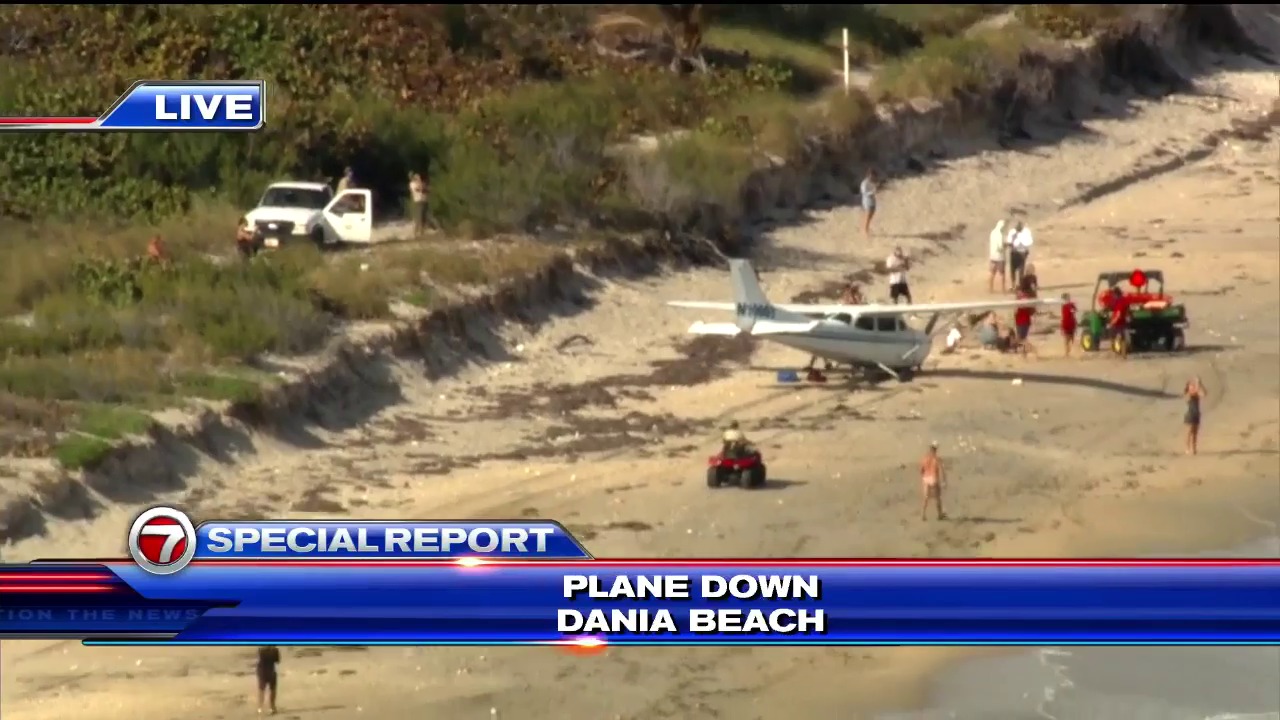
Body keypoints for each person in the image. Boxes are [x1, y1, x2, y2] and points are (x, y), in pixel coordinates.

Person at [920, 441, 946, 521]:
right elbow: (941, 470)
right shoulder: (937, 459)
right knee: (937, 497)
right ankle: (940, 514)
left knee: (926, 498)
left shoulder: (925, 458)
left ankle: (923, 514)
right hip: (934, 478)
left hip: (926, 478)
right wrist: (944, 480)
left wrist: (923, 477)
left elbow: (921, 470)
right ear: (936, 450)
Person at [1006, 220, 1033, 290]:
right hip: (1014, 253)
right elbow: (1009, 242)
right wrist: (1012, 241)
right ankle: (1013, 285)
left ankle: (1021, 285)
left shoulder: (1026, 232)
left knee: (1021, 270)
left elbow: (1029, 242)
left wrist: (1023, 244)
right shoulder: (1012, 232)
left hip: (1022, 253)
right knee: (1013, 270)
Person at [1183, 377, 1206, 455]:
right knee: (1189, 432)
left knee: (1195, 433)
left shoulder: (1196, 394)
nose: (1193, 386)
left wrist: (1200, 384)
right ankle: (1187, 448)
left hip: (1196, 414)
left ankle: (1194, 448)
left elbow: (1204, 394)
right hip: (1190, 414)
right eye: (1191, 385)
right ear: (1188, 387)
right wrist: (1197, 386)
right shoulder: (1188, 394)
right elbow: (1190, 396)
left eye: (1193, 385)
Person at [256, 645, 281, 715]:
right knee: (272, 689)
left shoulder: (261, 649)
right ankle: (272, 707)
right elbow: (277, 661)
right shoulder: (275, 650)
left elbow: (260, 659)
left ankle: (260, 707)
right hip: (271, 671)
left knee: (261, 689)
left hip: (262, 671)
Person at [1013, 287, 1037, 357]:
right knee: (1022, 338)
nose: (1017, 294)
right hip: (1019, 321)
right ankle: (1025, 352)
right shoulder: (1019, 299)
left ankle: (1032, 350)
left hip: (1024, 322)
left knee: (1022, 338)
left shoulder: (1024, 299)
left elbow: (1028, 309)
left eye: (1018, 292)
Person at [409, 171, 431, 237]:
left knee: (423, 218)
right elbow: (420, 189)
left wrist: (424, 186)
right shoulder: (412, 184)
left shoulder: (422, 183)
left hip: (424, 201)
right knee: (418, 218)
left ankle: (422, 232)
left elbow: (427, 189)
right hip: (418, 201)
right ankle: (415, 233)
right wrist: (421, 184)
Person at [988, 219, 1008, 293]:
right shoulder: (1000, 234)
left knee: (992, 273)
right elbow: (1000, 247)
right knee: (1002, 273)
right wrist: (1006, 246)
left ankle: (990, 288)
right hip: (999, 256)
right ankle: (1003, 289)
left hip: (992, 255)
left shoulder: (993, 232)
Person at [860, 169, 878, 237]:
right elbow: (864, 192)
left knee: (871, 215)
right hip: (867, 201)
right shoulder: (864, 183)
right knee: (867, 215)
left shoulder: (872, 182)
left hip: (872, 200)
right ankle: (865, 230)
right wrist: (873, 192)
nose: (873, 177)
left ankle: (867, 228)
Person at [1059, 292, 1077, 357]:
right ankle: (1069, 352)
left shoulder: (1067, 305)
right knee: (1069, 339)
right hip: (1069, 323)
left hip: (1068, 323)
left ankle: (1069, 352)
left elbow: (1074, 311)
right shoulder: (1067, 305)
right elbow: (1074, 311)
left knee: (1069, 339)